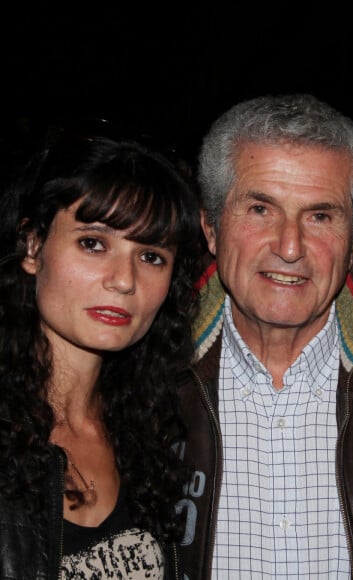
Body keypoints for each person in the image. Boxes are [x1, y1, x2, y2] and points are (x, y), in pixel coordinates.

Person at [175, 93, 353, 579]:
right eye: (261, 209)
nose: (289, 246)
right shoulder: (141, 382)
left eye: (320, 216)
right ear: (211, 228)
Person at [0, 124, 201, 578]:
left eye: (151, 255)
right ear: (32, 246)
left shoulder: (152, 432)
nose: (124, 279)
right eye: (93, 243)